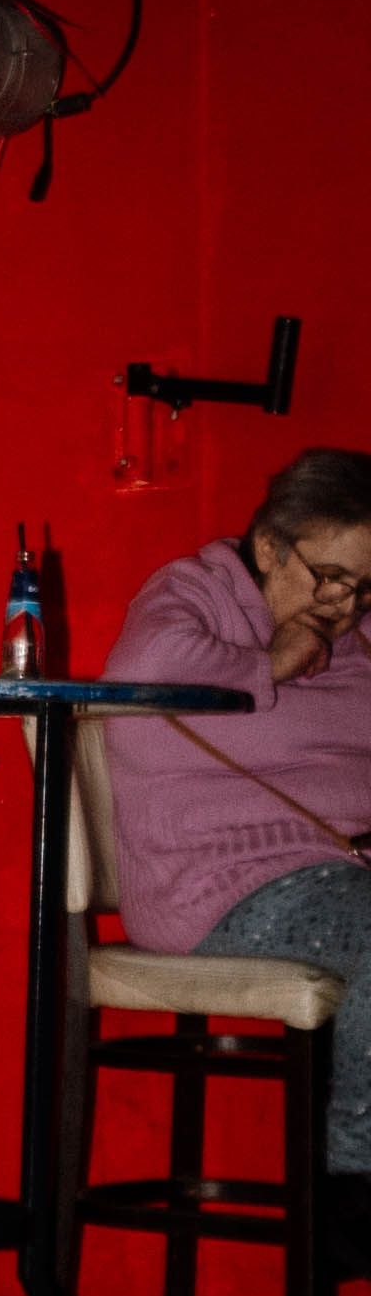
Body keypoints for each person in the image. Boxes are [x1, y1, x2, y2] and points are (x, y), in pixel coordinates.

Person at [104, 449, 371, 1203]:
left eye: (365, 587)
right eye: (330, 576)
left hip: (333, 871)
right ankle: (354, 1187)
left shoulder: (353, 634)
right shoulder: (197, 591)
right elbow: (138, 676)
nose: (345, 605)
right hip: (217, 886)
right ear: (269, 547)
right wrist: (270, 667)